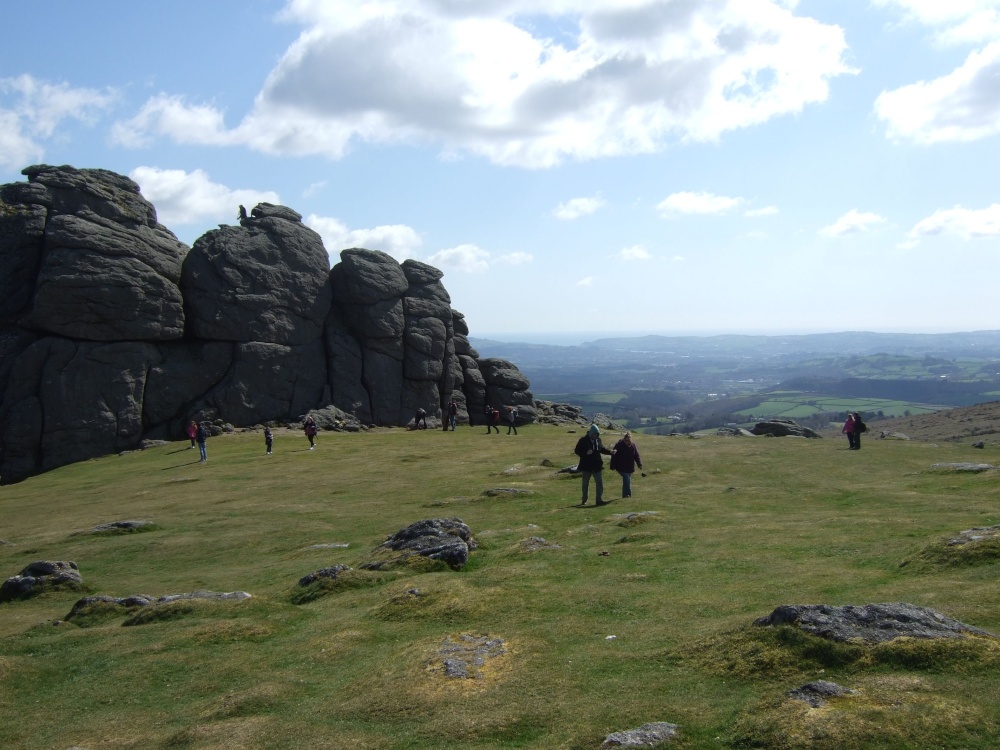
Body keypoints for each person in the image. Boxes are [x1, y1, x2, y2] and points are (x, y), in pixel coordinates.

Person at [574, 423, 613, 506]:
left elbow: (602, 449)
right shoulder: (583, 440)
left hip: (597, 466)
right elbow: (577, 451)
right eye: (595, 434)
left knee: (599, 483)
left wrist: (610, 452)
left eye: (597, 435)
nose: (596, 436)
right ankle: (584, 501)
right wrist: (585, 453)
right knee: (585, 484)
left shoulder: (598, 440)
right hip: (586, 466)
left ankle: (599, 500)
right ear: (591, 433)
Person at [610, 432, 643, 498]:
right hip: (621, 467)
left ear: (630, 440)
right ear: (624, 439)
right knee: (627, 479)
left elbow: (636, 455)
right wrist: (612, 465)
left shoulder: (633, 446)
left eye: (628, 440)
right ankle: (627, 495)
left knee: (627, 480)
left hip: (629, 467)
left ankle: (625, 495)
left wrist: (639, 464)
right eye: (625, 440)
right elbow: (614, 456)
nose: (626, 441)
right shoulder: (619, 445)